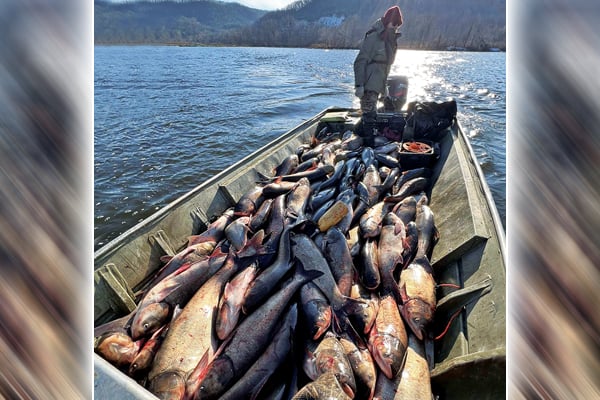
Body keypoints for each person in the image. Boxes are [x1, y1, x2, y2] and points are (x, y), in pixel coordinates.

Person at [354, 5, 403, 146]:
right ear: (388, 21)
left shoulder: (391, 40)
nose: (395, 27)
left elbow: (386, 66)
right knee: (369, 117)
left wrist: (384, 87)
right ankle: (369, 149)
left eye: (398, 25)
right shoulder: (374, 37)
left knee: (371, 115)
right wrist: (359, 85)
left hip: (378, 84)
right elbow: (359, 62)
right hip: (368, 84)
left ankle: (356, 134)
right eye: (394, 24)